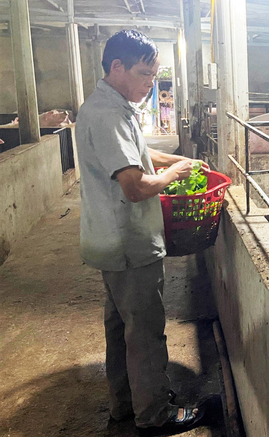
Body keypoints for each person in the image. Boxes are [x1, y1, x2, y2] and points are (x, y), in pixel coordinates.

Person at [75, 30, 209, 434]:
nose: (150, 83)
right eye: (144, 73)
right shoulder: (111, 113)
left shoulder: (104, 105)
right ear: (117, 68)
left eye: (153, 74)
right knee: (146, 333)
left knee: (120, 330)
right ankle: (155, 415)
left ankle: (125, 405)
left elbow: (139, 154)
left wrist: (179, 159)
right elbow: (135, 186)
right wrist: (172, 174)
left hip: (108, 242)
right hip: (129, 244)